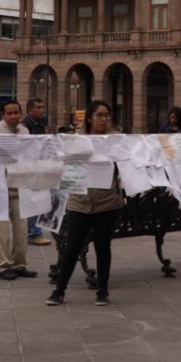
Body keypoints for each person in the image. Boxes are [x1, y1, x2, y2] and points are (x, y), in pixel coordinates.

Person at [48, 100, 123, 307]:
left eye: (106, 115)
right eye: (99, 115)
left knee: (102, 246)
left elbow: (126, 161)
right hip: (79, 200)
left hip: (107, 201)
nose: (104, 119)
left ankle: (102, 290)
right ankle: (59, 289)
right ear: (90, 117)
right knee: (72, 245)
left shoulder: (114, 139)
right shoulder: (75, 139)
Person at [0, 100, 39, 281]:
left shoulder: (25, 131)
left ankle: (19, 264)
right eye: (9, 113)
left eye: (16, 112)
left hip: (20, 188)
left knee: (21, 230)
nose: (13, 116)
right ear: (2, 115)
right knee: (0, 232)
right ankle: (2, 266)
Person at [22, 97, 51, 246]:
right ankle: (33, 233)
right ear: (29, 110)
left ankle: (35, 231)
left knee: (38, 200)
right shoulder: (26, 126)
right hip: (31, 169)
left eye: (42, 107)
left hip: (39, 167)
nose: (41, 110)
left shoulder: (38, 124)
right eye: (38, 108)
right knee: (33, 201)